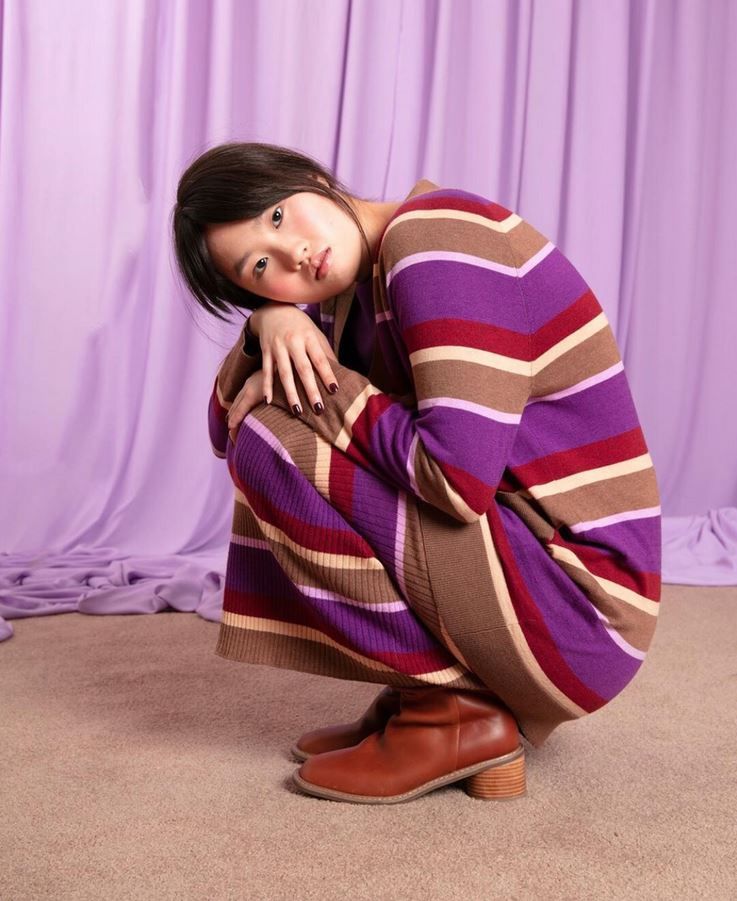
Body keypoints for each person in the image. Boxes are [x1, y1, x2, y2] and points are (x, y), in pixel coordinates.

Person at [172, 142, 662, 805]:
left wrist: (323, 389)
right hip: (535, 580)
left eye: (279, 216)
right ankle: (431, 695)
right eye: (260, 267)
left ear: (311, 178)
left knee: (274, 439)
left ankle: (452, 714)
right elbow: (221, 427)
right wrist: (267, 327)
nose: (293, 253)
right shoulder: (348, 301)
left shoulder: (435, 236)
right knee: (266, 427)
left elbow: (457, 482)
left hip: (583, 613)